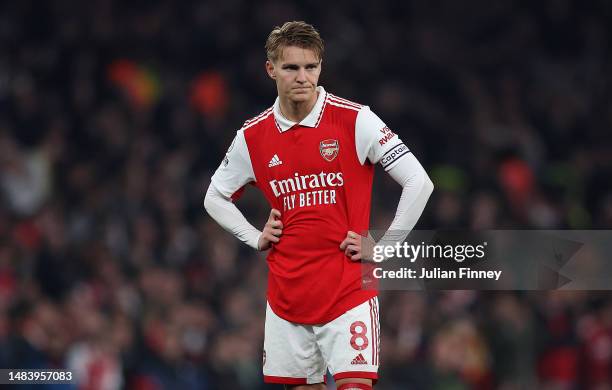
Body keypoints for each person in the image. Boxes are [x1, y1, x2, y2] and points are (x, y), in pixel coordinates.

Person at [204, 21, 433, 390]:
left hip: (348, 292)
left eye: (311, 67)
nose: (302, 77)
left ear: (320, 68)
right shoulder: (252, 137)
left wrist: (386, 246)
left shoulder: (355, 120)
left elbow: (419, 181)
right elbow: (214, 197)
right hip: (287, 297)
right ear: (271, 69)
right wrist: (254, 236)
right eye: (291, 67)